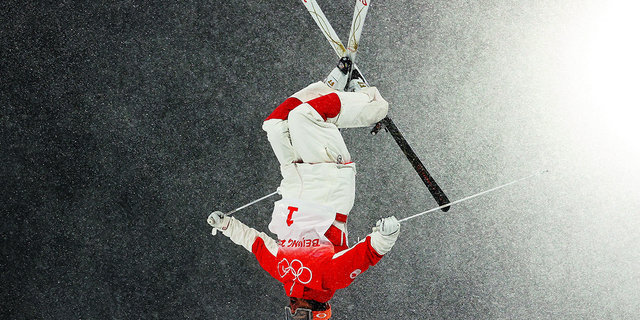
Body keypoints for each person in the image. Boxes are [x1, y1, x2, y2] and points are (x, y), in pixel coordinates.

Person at [208, 58, 400, 319]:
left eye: (292, 317)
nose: (294, 313)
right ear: (318, 313)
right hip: (327, 184)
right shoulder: (328, 279)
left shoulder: (283, 272)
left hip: (293, 180)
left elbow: (254, 243)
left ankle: (330, 86)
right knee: (303, 117)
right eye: (302, 318)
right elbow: (367, 254)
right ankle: (372, 106)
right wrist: (387, 236)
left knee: (275, 126)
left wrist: (226, 225)